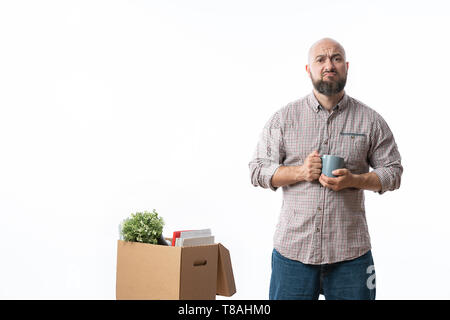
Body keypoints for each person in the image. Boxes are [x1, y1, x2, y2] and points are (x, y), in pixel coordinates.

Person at [248, 38, 403, 300]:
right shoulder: (284, 119)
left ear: (346, 67)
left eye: (336, 58)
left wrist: (355, 180)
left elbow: (393, 172)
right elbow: (257, 170)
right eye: (320, 59)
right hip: (293, 254)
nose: (328, 64)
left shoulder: (371, 120)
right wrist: (300, 172)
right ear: (308, 69)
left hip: (351, 255)